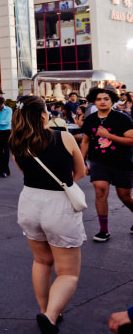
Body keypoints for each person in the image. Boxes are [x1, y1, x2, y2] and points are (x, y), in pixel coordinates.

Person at [9, 96, 86, 333]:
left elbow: (23, 171)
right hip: (58, 205)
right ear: (44, 115)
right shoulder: (64, 137)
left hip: (30, 201)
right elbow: (80, 172)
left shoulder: (16, 141)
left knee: (41, 261)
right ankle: (51, 316)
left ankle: (45, 310)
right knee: (68, 273)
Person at [80, 87, 133, 243]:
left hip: (122, 163)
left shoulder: (122, 118)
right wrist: (82, 162)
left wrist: (108, 136)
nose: (102, 101)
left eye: (106, 99)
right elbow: (85, 141)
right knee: (100, 190)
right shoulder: (90, 120)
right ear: (94, 101)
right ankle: (104, 230)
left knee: (125, 197)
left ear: (112, 101)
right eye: (99, 99)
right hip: (98, 162)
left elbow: (131, 140)